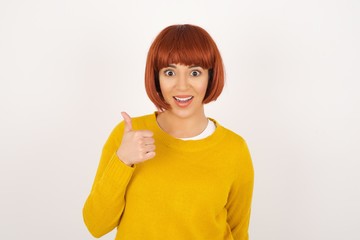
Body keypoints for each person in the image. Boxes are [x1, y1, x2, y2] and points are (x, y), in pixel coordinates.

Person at [83, 24, 254, 240]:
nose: (182, 86)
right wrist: (122, 161)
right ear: (157, 78)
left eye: (194, 72)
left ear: (211, 76)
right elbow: (96, 225)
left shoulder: (234, 149)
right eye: (170, 72)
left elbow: (239, 233)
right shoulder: (128, 136)